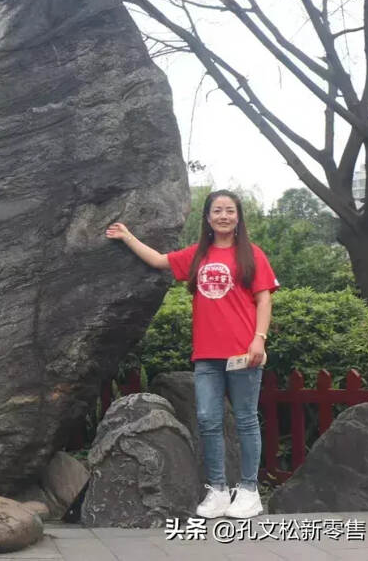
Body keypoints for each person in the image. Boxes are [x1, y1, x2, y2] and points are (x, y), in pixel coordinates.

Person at [106, 189, 279, 519]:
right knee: (208, 420)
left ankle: (248, 490)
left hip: (244, 353)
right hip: (207, 356)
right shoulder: (199, 255)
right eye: (217, 211)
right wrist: (128, 236)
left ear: (238, 217)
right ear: (208, 218)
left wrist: (260, 338)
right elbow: (159, 261)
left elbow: (264, 299)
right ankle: (217, 490)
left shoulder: (252, 255)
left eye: (230, 210)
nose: (224, 216)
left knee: (245, 421)